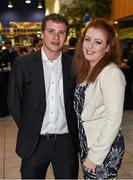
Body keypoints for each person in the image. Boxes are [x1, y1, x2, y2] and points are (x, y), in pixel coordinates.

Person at [7, 13, 79, 179]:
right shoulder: (23, 63)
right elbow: (13, 101)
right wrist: (29, 126)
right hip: (34, 142)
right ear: (42, 34)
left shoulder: (74, 65)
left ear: (66, 36)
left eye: (61, 32)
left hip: (65, 143)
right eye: (51, 31)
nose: (56, 36)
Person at [73, 18, 126, 179]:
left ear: (108, 47)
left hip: (103, 147)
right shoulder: (87, 70)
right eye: (87, 39)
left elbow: (114, 119)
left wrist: (95, 156)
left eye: (97, 42)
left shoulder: (111, 73)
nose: (89, 46)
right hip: (88, 142)